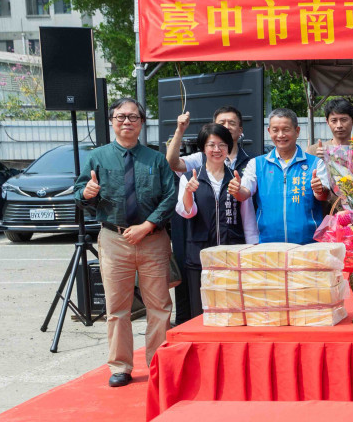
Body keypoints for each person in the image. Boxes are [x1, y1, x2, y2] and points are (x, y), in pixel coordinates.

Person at [73, 98, 176, 388]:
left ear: (142, 122)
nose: (126, 121)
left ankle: (157, 363)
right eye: (120, 117)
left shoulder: (156, 159)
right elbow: (78, 194)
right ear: (112, 121)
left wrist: (147, 226)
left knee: (159, 306)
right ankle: (120, 366)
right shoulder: (97, 157)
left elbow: (170, 196)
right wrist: (87, 193)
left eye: (133, 117)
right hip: (114, 239)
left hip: (152, 238)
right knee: (117, 308)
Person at [164, 105, 254, 324]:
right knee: (201, 314)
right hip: (200, 256)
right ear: (203, 149)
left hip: (232, 255)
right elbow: (187, 212)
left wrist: (252, 250)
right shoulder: (191, 177)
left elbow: (248, 219)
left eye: (222, 145)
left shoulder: (237, 178)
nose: (216, 149)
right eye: (211, 145)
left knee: (231, 314)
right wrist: (188, 192)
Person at [243, 108, 326, 244]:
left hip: (307, 245)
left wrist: (320, 190)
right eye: (275, 130)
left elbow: (323, 195)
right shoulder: (257, 164)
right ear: (269, 131)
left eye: (286, 129)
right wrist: (236, 190)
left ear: (297, 131)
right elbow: (244, 193)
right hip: (268, 245)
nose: (281, 135)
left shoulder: (315, 163)